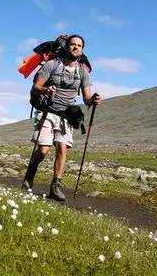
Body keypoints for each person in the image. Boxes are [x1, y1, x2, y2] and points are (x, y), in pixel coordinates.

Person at [22, 35, 102, 201]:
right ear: (67, 47)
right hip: (47, 111)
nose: (76, 47)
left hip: (66, 114)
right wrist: (45, 90)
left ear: (82, 49)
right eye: (73, 44)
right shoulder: (52, 65)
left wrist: (93, 99)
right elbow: (36, 85)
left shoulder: (83, 72)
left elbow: (86, 98)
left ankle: (56, 186)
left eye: (79, 45)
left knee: (62, 147)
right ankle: (31, 172)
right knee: (43, 151)